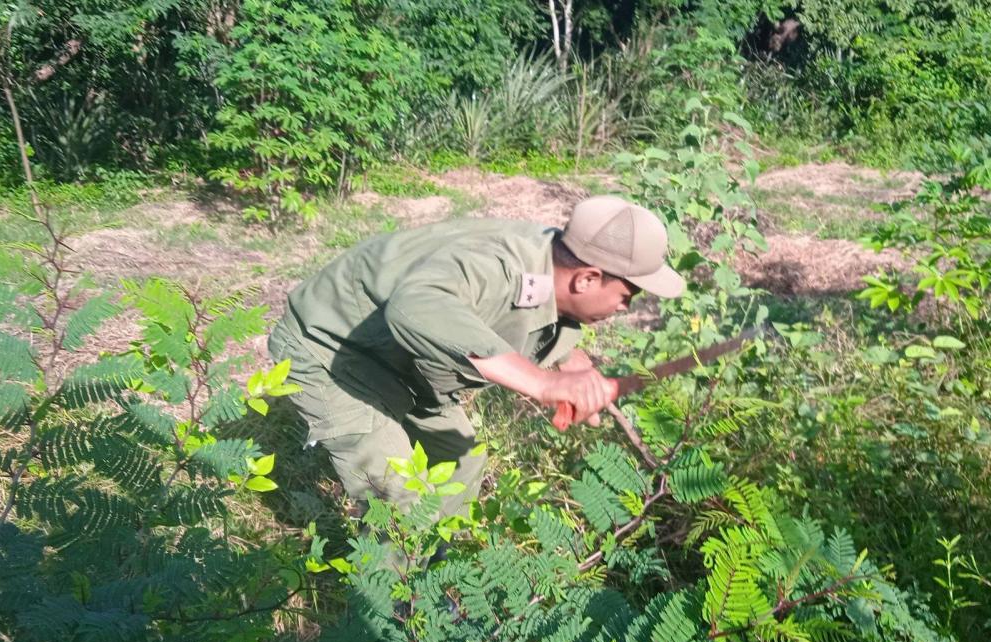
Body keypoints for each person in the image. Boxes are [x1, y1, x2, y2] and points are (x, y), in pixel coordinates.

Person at [267, 195, 684, 517]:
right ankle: (388, 612)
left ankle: (433, 583)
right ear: (588, 278)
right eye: (627, 297)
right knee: (399, 496)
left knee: (461, 459)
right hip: (330, 350)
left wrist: (569, 357)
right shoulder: (502, 265)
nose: (625, 309)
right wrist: (541, 383)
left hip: (401, 363)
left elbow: (533, 306)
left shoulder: (549, 257)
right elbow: (416, 306)